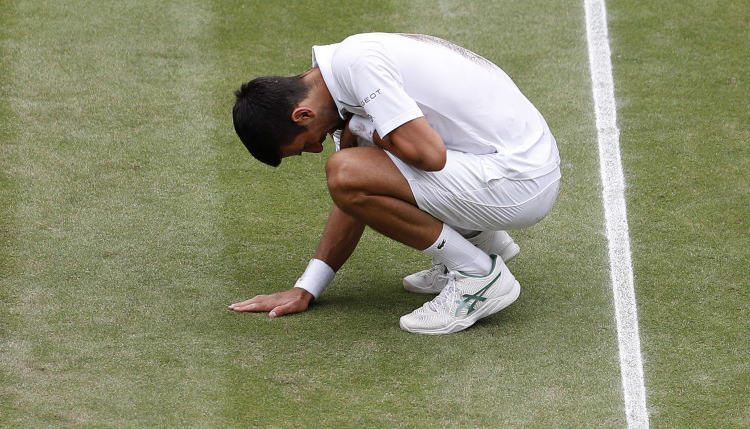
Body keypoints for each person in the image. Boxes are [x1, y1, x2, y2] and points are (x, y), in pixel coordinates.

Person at [228, 32, 561, 335]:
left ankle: (476, 274)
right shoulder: (343, 79)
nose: (316, 148)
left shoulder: (360, 68)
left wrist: (360, 128)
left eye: (306, 145)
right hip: (508, 162)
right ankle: (481, 243)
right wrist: (307, 287)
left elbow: (428, 156)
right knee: (353, 167)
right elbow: (355, 198)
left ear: (303, 115)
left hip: (521, 179)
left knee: (346, 169)